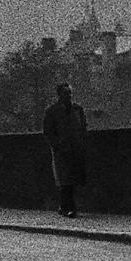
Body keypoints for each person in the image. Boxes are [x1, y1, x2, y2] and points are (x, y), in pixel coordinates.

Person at [41, 83, 89, 217]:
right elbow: (48, 132)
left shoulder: (77, 109)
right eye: (65, 93)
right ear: (59, 95)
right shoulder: (52, 111)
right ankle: (69, 207)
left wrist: (82, 141)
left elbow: (83, 126)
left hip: (76, 149)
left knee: (73, 180)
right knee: (64, 179)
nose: (68, 96)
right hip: (62, 151)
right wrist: (57, 145)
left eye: (69, 93)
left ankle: (65, 206)